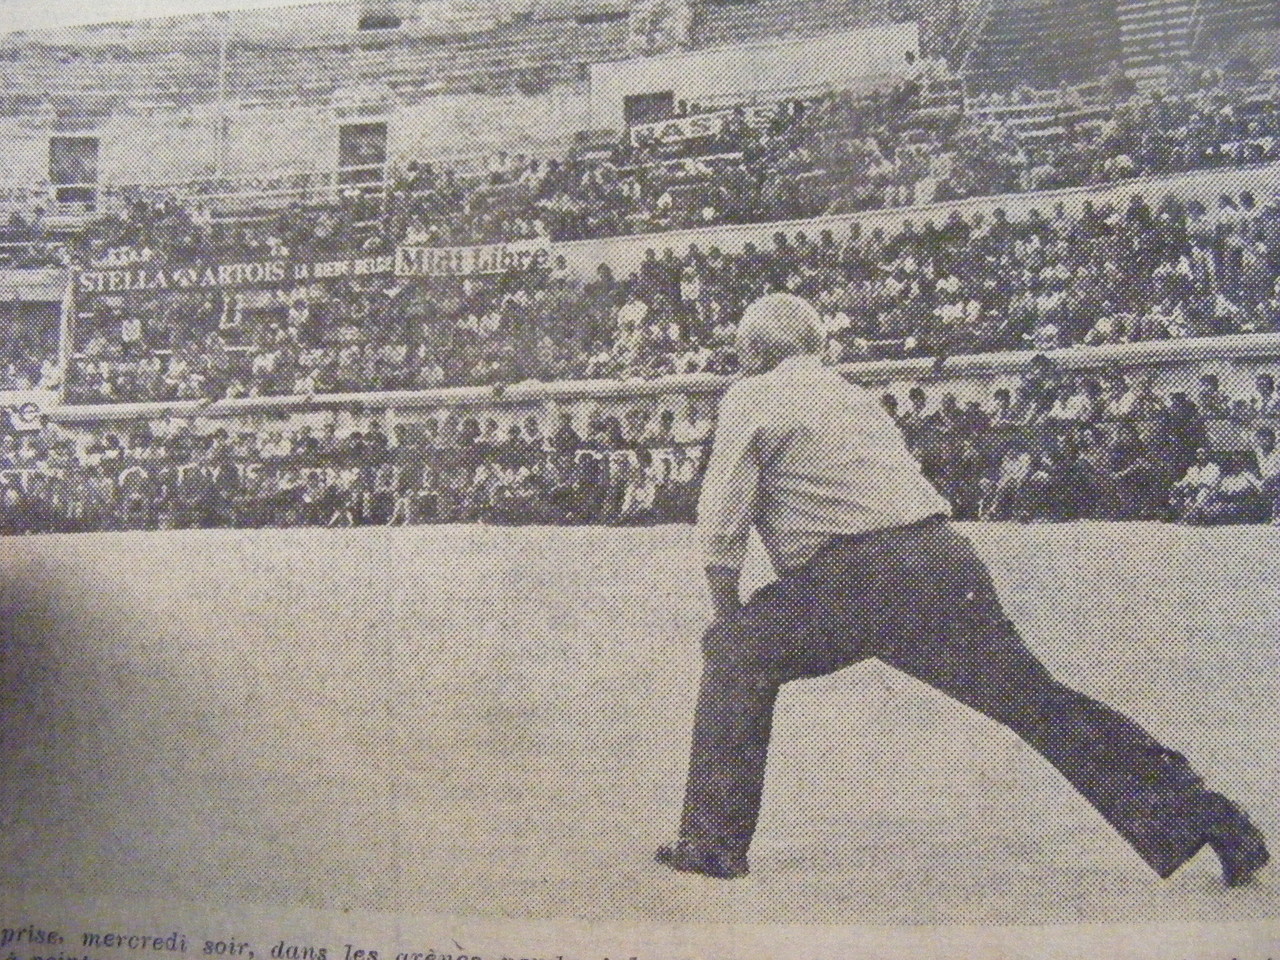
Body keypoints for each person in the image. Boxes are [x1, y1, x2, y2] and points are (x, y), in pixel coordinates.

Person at [655, 293, 1268, 886]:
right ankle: (1207, 817)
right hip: (943, 560)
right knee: (1037, 701)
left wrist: (727, 613)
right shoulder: (853, 398)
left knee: (733, 657)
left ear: (755, 352)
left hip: (853, 578)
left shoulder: (752, 394)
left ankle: (713, 844)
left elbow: (723, 514)